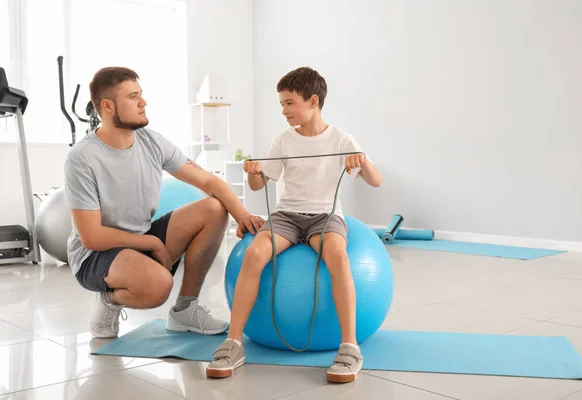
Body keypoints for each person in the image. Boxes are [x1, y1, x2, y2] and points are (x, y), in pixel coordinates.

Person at [206, 67, 382, 383]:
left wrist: (362, 160)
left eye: (289, 103)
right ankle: (233, 343)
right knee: (254, 254)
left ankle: (350, 347)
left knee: (338, 256)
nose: (284, 111)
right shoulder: (283, 141)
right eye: (282, 105)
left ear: (313, 101)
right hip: (287, 216)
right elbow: (260, 186)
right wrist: (253, 172)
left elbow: (375, 181)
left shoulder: (342, 139)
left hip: (325, 216)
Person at [64, 66, 264, 339]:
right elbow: (92, 237)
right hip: (96, 255)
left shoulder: (152, 142)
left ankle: (185, 310)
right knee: (159, 286)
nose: (143, 102)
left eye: (141, 94)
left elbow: (208, 181)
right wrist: (152, 243)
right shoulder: (82, 158)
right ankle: (108, 299)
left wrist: (242, 214)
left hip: (139, 237)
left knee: (215, 208)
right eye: (133, 97)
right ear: (108, 106)